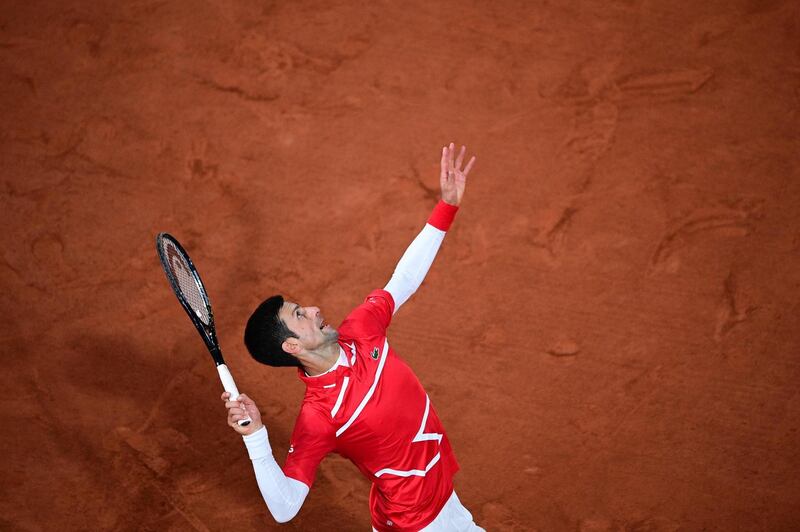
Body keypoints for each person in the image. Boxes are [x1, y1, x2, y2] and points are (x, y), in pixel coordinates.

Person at [222, 143, 483, 531]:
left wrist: (446, 207)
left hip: (442, 500)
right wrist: (256, 436)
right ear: (292, 347)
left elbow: (404, 280)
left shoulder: (360, 329)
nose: (312, 309)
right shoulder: (320, 417)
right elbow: (285, 507)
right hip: (417, 525)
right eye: (299, 315)